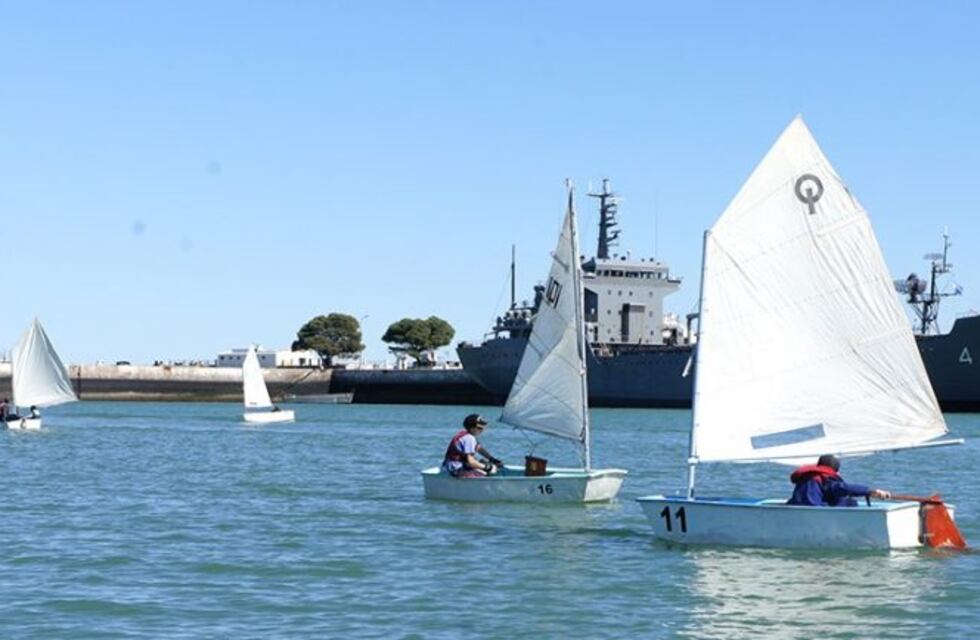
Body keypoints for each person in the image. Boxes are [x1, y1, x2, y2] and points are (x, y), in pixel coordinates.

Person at [787, 454, 891, 506]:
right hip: (813, 513)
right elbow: (842, 488)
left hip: (796, 508)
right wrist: (870, 491)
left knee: (843, 501)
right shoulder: (825, 478)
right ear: (835, 470)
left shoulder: (807, 476)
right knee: (851, 503)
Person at [442, 414, 503, 478]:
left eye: (483, 427)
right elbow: (470, 462)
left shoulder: (465, 434)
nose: (482, 430)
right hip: (455, 470)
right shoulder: (469, 438)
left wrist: (491, 459)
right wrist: (487, 467)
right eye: (479, 428)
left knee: (484, 464)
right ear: (471, 428)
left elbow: (479, 448)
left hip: (450, 467)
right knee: (488, 471)